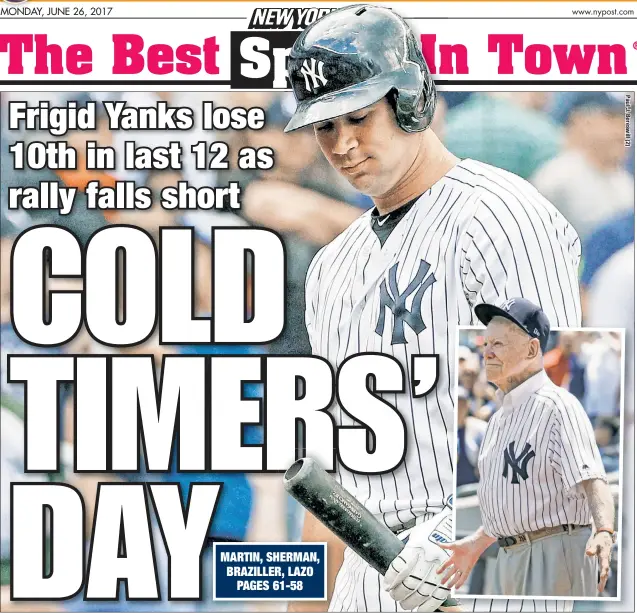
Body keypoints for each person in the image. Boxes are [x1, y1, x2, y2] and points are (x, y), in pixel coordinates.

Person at [283, 5, 583, 612]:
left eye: (358, 118)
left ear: (412, 99)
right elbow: (333, 475)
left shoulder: (498, 216)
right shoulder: (331, 266)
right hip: (367, 583)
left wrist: (454, 546)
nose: (342, 145)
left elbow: (553, 418)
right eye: (324, 128)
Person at [437, 298, 615, 598]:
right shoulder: (497, 420)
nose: (487, 351)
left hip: (556, 552)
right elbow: (515, 507)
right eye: (486, 343)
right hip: (508, 556)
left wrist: (604, 531)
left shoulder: (558, 405)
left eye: (499, 344)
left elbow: (594, 480)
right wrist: (476, 543)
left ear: (532, 350)